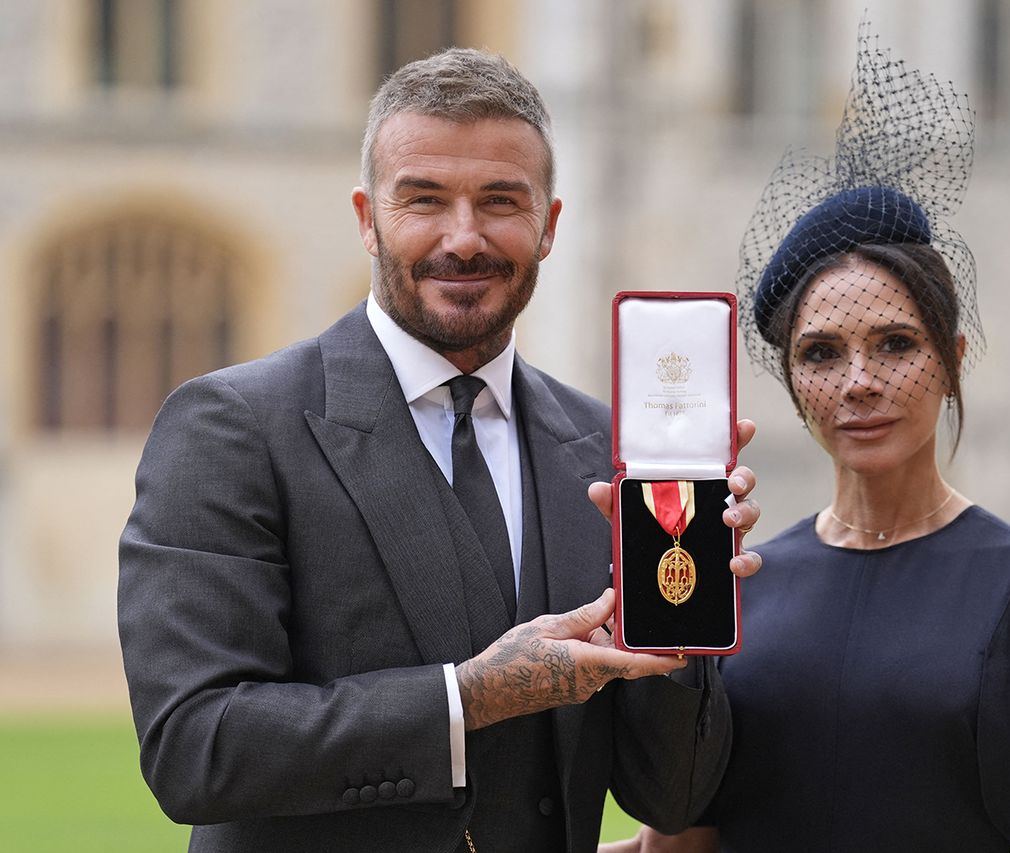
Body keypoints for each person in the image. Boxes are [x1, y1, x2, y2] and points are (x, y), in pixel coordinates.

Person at [118, 47, 761, 853]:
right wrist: (468, 698)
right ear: (366, 217)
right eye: (424, 199)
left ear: (551, 225)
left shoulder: (607, 450)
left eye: (500, 201)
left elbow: (672, 791)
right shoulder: (234, 426)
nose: (464, 238)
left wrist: (687, 608)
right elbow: (195, 748)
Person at [604, 33, 1010, 853]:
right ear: (791, 380)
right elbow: (675, 846)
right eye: (821, 352)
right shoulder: (732, 583)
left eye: (895, 345)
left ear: (952, 360)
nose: (859, 381)